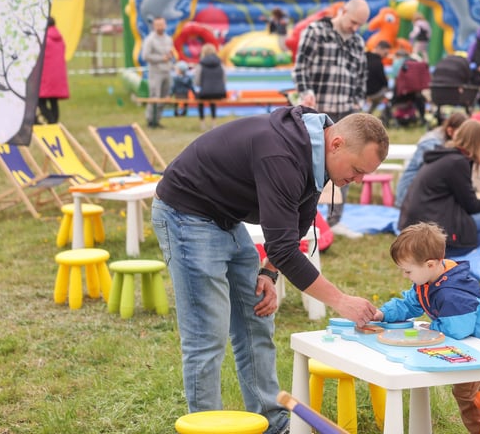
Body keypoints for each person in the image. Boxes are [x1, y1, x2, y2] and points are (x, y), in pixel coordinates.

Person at [151, 109, 389, 434]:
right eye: (358, 170)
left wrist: (269, 272)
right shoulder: (282, 153)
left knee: (256, 320)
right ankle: (204, 427)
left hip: (225, 217)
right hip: (186, 213)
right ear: (335, 143)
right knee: (207, 335)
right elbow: (284, 249)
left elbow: (297, 224)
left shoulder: (316, 156)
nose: (359, 180)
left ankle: (273, 425)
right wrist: (341, 301)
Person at [373, 222, 480, 434]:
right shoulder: (427, 281)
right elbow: (409, 304)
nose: (405, 276)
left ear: (431, 264)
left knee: (467, 394)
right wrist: (383, 313)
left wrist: (431, 328)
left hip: (479, 346)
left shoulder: (451, 292)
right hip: (470, 343)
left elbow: (457, 329)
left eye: (407, 271)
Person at [293, 0, 370, 238]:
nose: (355, 28)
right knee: (307, 166)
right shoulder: (316, 31)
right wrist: (306, 93)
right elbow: (300, 66)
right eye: (353, 22)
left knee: (346, 167)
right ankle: (299, 218)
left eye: (360, 25)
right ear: (343, 11)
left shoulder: (357, 42)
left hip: (345, 112)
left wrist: (358, 101)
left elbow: (361, 75)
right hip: (315, 113)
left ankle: (334, 219)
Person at [398, 119, 480, 258]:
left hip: (415, 220)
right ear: (479, 142)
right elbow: (471, 205)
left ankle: (438, 258)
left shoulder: (444, 155)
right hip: (430, 224)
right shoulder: (457, 162)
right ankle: (442, 259)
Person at [395, 111, 469, 207]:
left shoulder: (446, 141)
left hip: (422, 195)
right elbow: (437, 176)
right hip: (409, 196)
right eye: (462, 134)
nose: (465, 138)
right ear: (450, 131)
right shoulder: (431, 144)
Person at [141, 16, 175, 128]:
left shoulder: (168, 39)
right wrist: (161, 58)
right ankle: (150, 120)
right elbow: (145, 56)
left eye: (162, 24)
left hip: (167, 71)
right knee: (155, 96)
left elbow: (170, 53)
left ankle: (158, 119)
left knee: (164, 97)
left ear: (165, 25)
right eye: (158, 25)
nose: (160, 27)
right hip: (155, 72)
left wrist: (170, 57)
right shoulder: (150, 40)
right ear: (154, 26)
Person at [37, 17, 69, 124]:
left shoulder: (44, 39)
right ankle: (54, 122)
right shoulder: (60, 39)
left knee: (40, 102)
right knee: (53, 101)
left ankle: (51, 121)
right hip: (58, 77)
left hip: (45, 77)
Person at [193, 43, 227, 130]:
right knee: (213, 101)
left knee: (200, 100)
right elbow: (224, 79)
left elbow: (197, 82)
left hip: (205, 92)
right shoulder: (220, 64)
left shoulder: (201, 65)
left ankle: (202, 122)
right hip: (219, 92)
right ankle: (214, 122)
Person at [365, 40, 391, 114]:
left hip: (362, 91)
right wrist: (387, 86)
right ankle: (386, 115)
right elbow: (383, 80)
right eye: (385, 53)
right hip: (373, 92)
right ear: (379, 48)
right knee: (389, 94)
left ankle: (369, 113)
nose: (386, 56)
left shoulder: (364, 56)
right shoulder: (378, 62)